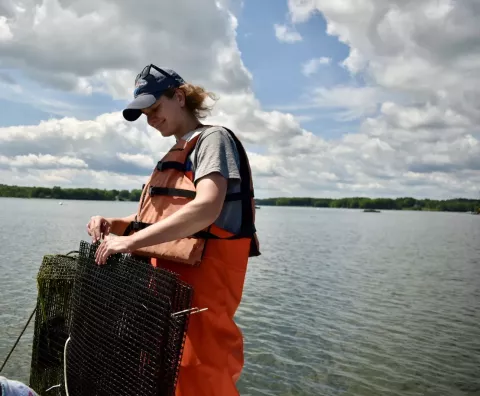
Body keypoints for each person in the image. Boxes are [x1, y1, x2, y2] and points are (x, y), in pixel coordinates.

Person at [87, 64, 260, 396]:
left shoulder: (213, 140)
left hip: (204, 290)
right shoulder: (175, 151)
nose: (150, 119)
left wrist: (129, 242)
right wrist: (117, 224)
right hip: (167, 288)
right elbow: (157, 217)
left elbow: (207, 206)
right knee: (167, 375)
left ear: (179, 97)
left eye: (154, 108)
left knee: (202, 375)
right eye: (144, 114)